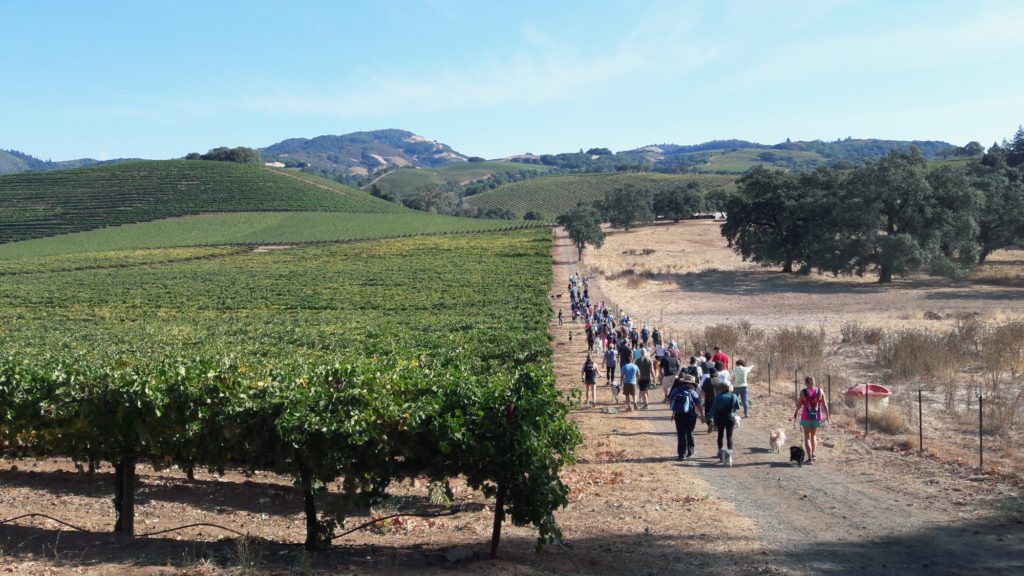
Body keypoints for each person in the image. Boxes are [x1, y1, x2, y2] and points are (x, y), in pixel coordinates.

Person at [793, 376, 830, 463]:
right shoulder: (820, 391)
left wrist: (796, 412)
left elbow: (798, 404)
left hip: (806, 417)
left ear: (806, 383)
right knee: (813, 435)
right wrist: (828, 416)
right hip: (817, 418)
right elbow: (825, 405)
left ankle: (809, 458)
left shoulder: (803, 392)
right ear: (814, 381)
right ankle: (813, 454)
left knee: (807, 438)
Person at [668, 374, 705, 460]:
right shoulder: (692, 392)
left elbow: (670, 400)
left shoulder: (676, 390)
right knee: (690, 432)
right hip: (690, 415)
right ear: (690, 383)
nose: (693, 386)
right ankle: (690, 452)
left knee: (681, 434)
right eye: (693, 384)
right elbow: (698, 405)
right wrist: (702, 415)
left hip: (678, 414)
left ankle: (681, 454)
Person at [708, 381, 741, 462]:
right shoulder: (733, 396)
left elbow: (713, 409)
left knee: (720, 436)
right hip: (731, 418)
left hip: (720, 418)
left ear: (720, 389)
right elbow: (737, 407)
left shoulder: (718, 397)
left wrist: (709, 418)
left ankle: (720, 453)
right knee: (729, 436)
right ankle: (729, 455)